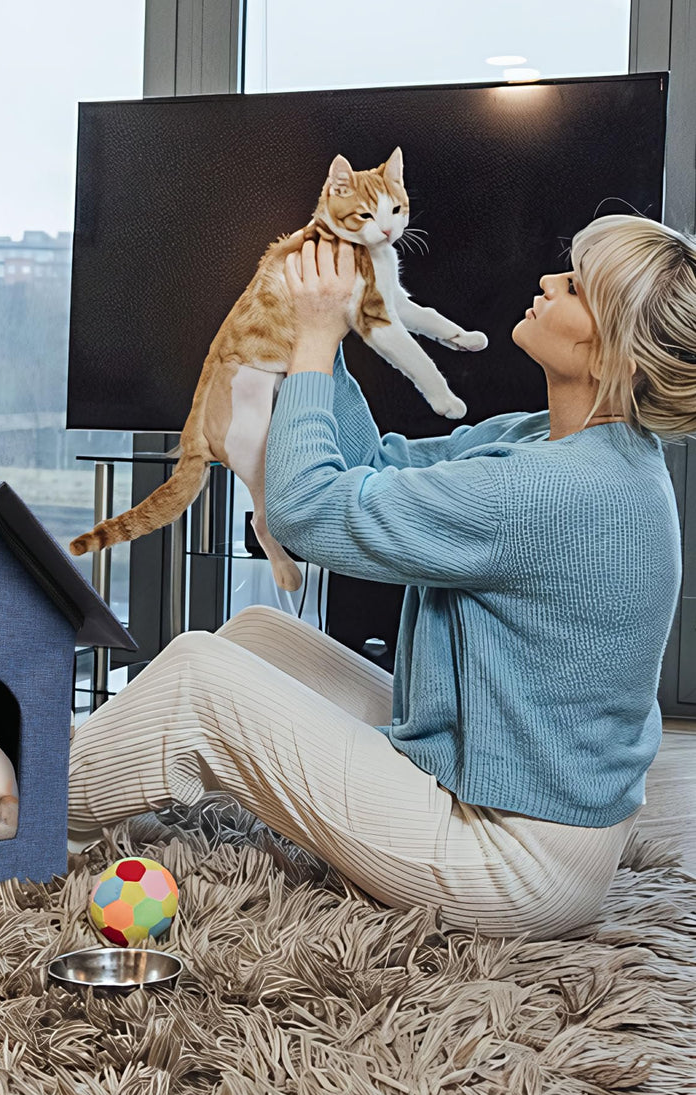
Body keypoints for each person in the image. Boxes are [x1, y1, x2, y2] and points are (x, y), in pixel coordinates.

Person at [67, 214, 696, 939]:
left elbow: (305, 515)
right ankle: (103, 768)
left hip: (511, 860)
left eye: (577, 287)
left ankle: (15, 810)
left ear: (617, 355)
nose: (550, 282)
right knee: (257, 636)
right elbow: (375, 470)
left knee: (197, 679)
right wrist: (321, 341)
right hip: (507, 793)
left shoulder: (555, 492)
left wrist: (311, 342)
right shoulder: (553, 444)